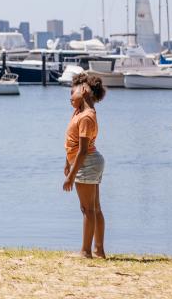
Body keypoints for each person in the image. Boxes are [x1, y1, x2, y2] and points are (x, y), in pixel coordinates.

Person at [63, 73, 106, 258]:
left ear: (85, 91)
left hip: (86, 161)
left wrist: (71, 176)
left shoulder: (87, 117)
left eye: (73, 93)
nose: (70, 97)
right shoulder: (79, 112)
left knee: (88, 209)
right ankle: (98, 250)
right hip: (86, 161)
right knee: (93, 208)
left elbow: (82, 150)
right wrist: (67, 161)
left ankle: (86, 251)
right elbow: (71, 141)